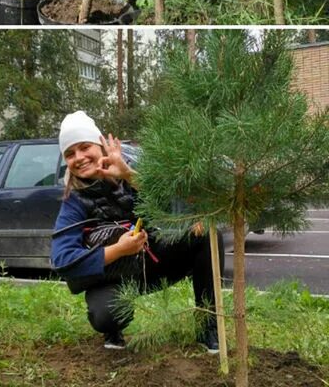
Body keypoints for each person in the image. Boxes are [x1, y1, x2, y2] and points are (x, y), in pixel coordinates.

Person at [51, 110, 222, 352]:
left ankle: (208, 326)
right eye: (69, 153)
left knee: (206, 235)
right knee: (106, 314)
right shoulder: (73, 202)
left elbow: (173, 204)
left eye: (84, 147)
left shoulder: (129, 173)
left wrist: (128, 175)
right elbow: (62, 260)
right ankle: (113, 330)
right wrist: (118, 250)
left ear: (101, 145)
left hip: (151, 264)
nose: (78, 157)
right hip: (113, 279)